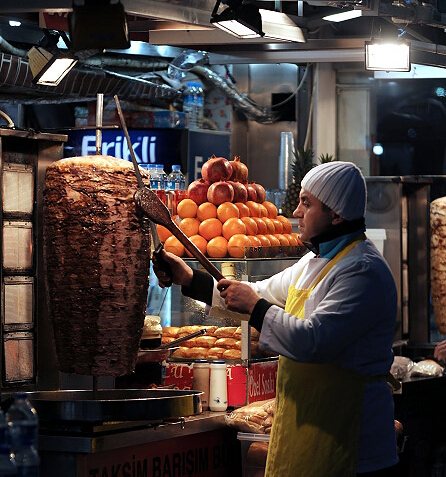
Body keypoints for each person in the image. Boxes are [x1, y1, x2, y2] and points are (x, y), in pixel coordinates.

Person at [153, 161, 399, 477]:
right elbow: (256, 292)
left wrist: (256, 307)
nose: (296, 213)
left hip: (351, 443)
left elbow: (313, 341)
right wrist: (188, 278)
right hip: (308, 432)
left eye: (306, 204)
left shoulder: (361, 271)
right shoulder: (316, 261)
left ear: (336, 214)